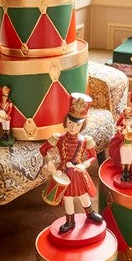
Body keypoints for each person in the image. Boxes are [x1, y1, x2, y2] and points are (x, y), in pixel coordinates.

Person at [40, 93, 103, 233]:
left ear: (82, 125)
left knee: (83, 194)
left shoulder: (86, 140)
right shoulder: (58, 138)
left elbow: (93, 156)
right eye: (70, 123)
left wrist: (84, 165)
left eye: (77, 124)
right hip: (63, 172)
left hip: (78, 172)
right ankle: (70, 221)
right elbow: (43, 149)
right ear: (66, 121)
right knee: (68, 197)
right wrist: (50, 163)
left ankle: (90, 213)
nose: (73, 127)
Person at [117, 107, 132, 181]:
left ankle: (127, 174)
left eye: (129, 120)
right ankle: (123, 174)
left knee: (129, 162)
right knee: (123, 162)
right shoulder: (123, 129)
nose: (128, 121)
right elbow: (120, 137)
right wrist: (120, 131)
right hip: (124, 147)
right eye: (126, 120)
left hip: (130, 147)